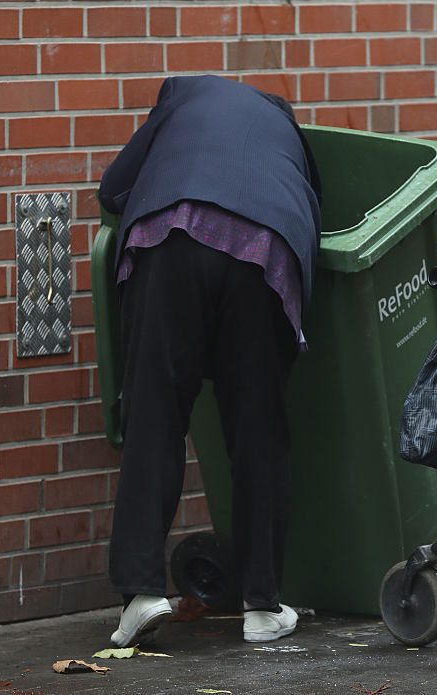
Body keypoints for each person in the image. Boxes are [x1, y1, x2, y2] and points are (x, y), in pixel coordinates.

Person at [97, 74, 322, 647]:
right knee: (257, 425)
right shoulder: (284, 124)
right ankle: (262, 607)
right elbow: (314, 206)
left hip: (172, 233)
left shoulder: (179, 99)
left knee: (156, 412)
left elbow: (111, 189)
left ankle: (141, 593)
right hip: (264, 248)